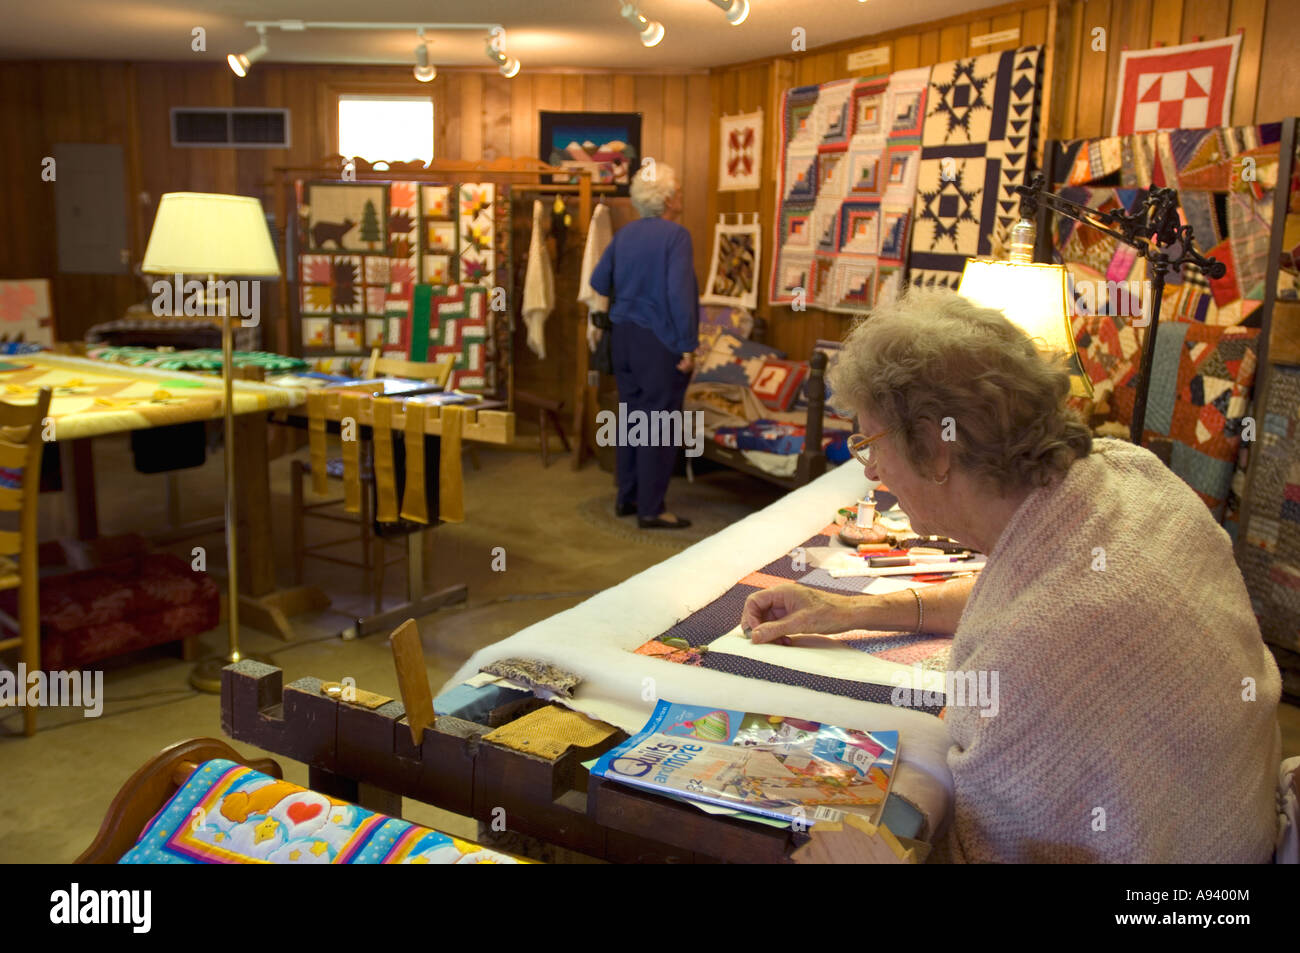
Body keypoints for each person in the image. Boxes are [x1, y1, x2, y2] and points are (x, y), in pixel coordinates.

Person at [740, 287, 1283, 863]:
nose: (871, 468)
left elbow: (995, 850)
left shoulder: (1032, 651)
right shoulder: (1133, 477)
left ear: (934, 444)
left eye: (871, 443)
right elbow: (1027, 590)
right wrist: (853, 610)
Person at [588, 163, 697, 529]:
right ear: (667, 198)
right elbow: (679, 295)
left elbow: (598, 281)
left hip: (623, 340)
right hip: (659, 343)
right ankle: (651, 509)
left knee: (633, 419)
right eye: (678, 190)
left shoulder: (624, 236)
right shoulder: (676, 237)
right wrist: (687, 346)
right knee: (660, 424)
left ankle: (627, 498)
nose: (680, 196)